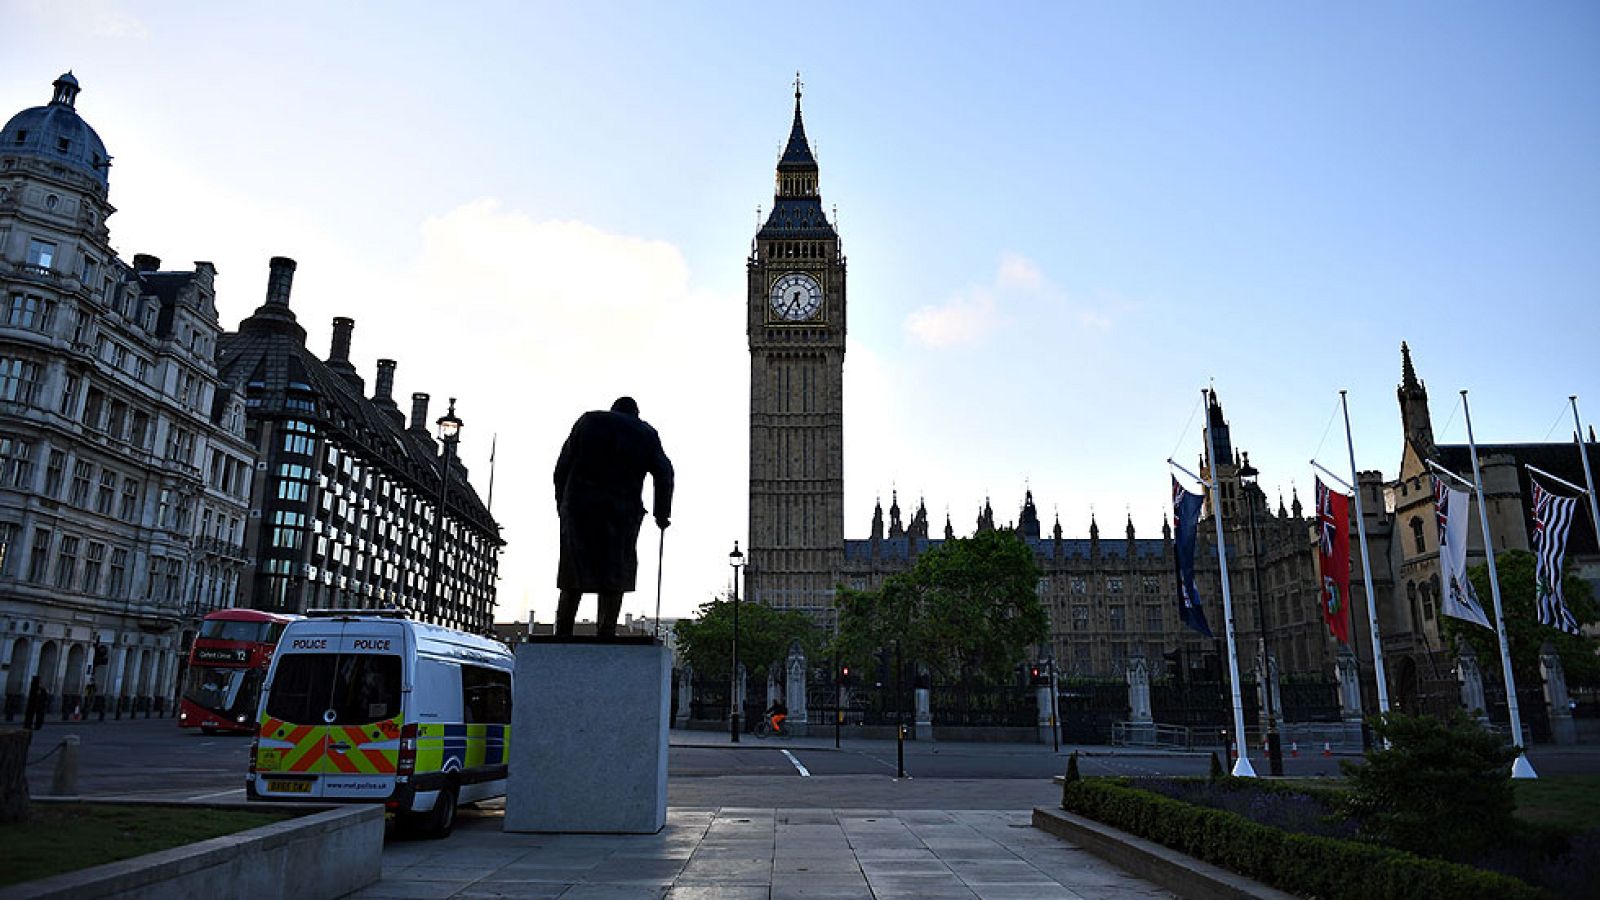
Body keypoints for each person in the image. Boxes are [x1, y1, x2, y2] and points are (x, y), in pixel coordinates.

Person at [554, 397, 674, 638]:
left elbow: (561, 469)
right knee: (615, 571)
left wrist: (563, 506)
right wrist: (662, 514)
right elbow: (665, 473)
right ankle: (606, 631)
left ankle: (563, 631)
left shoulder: (588, 421)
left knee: (573, 572)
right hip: (621, 511)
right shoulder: (645, 433)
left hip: (579, 507)